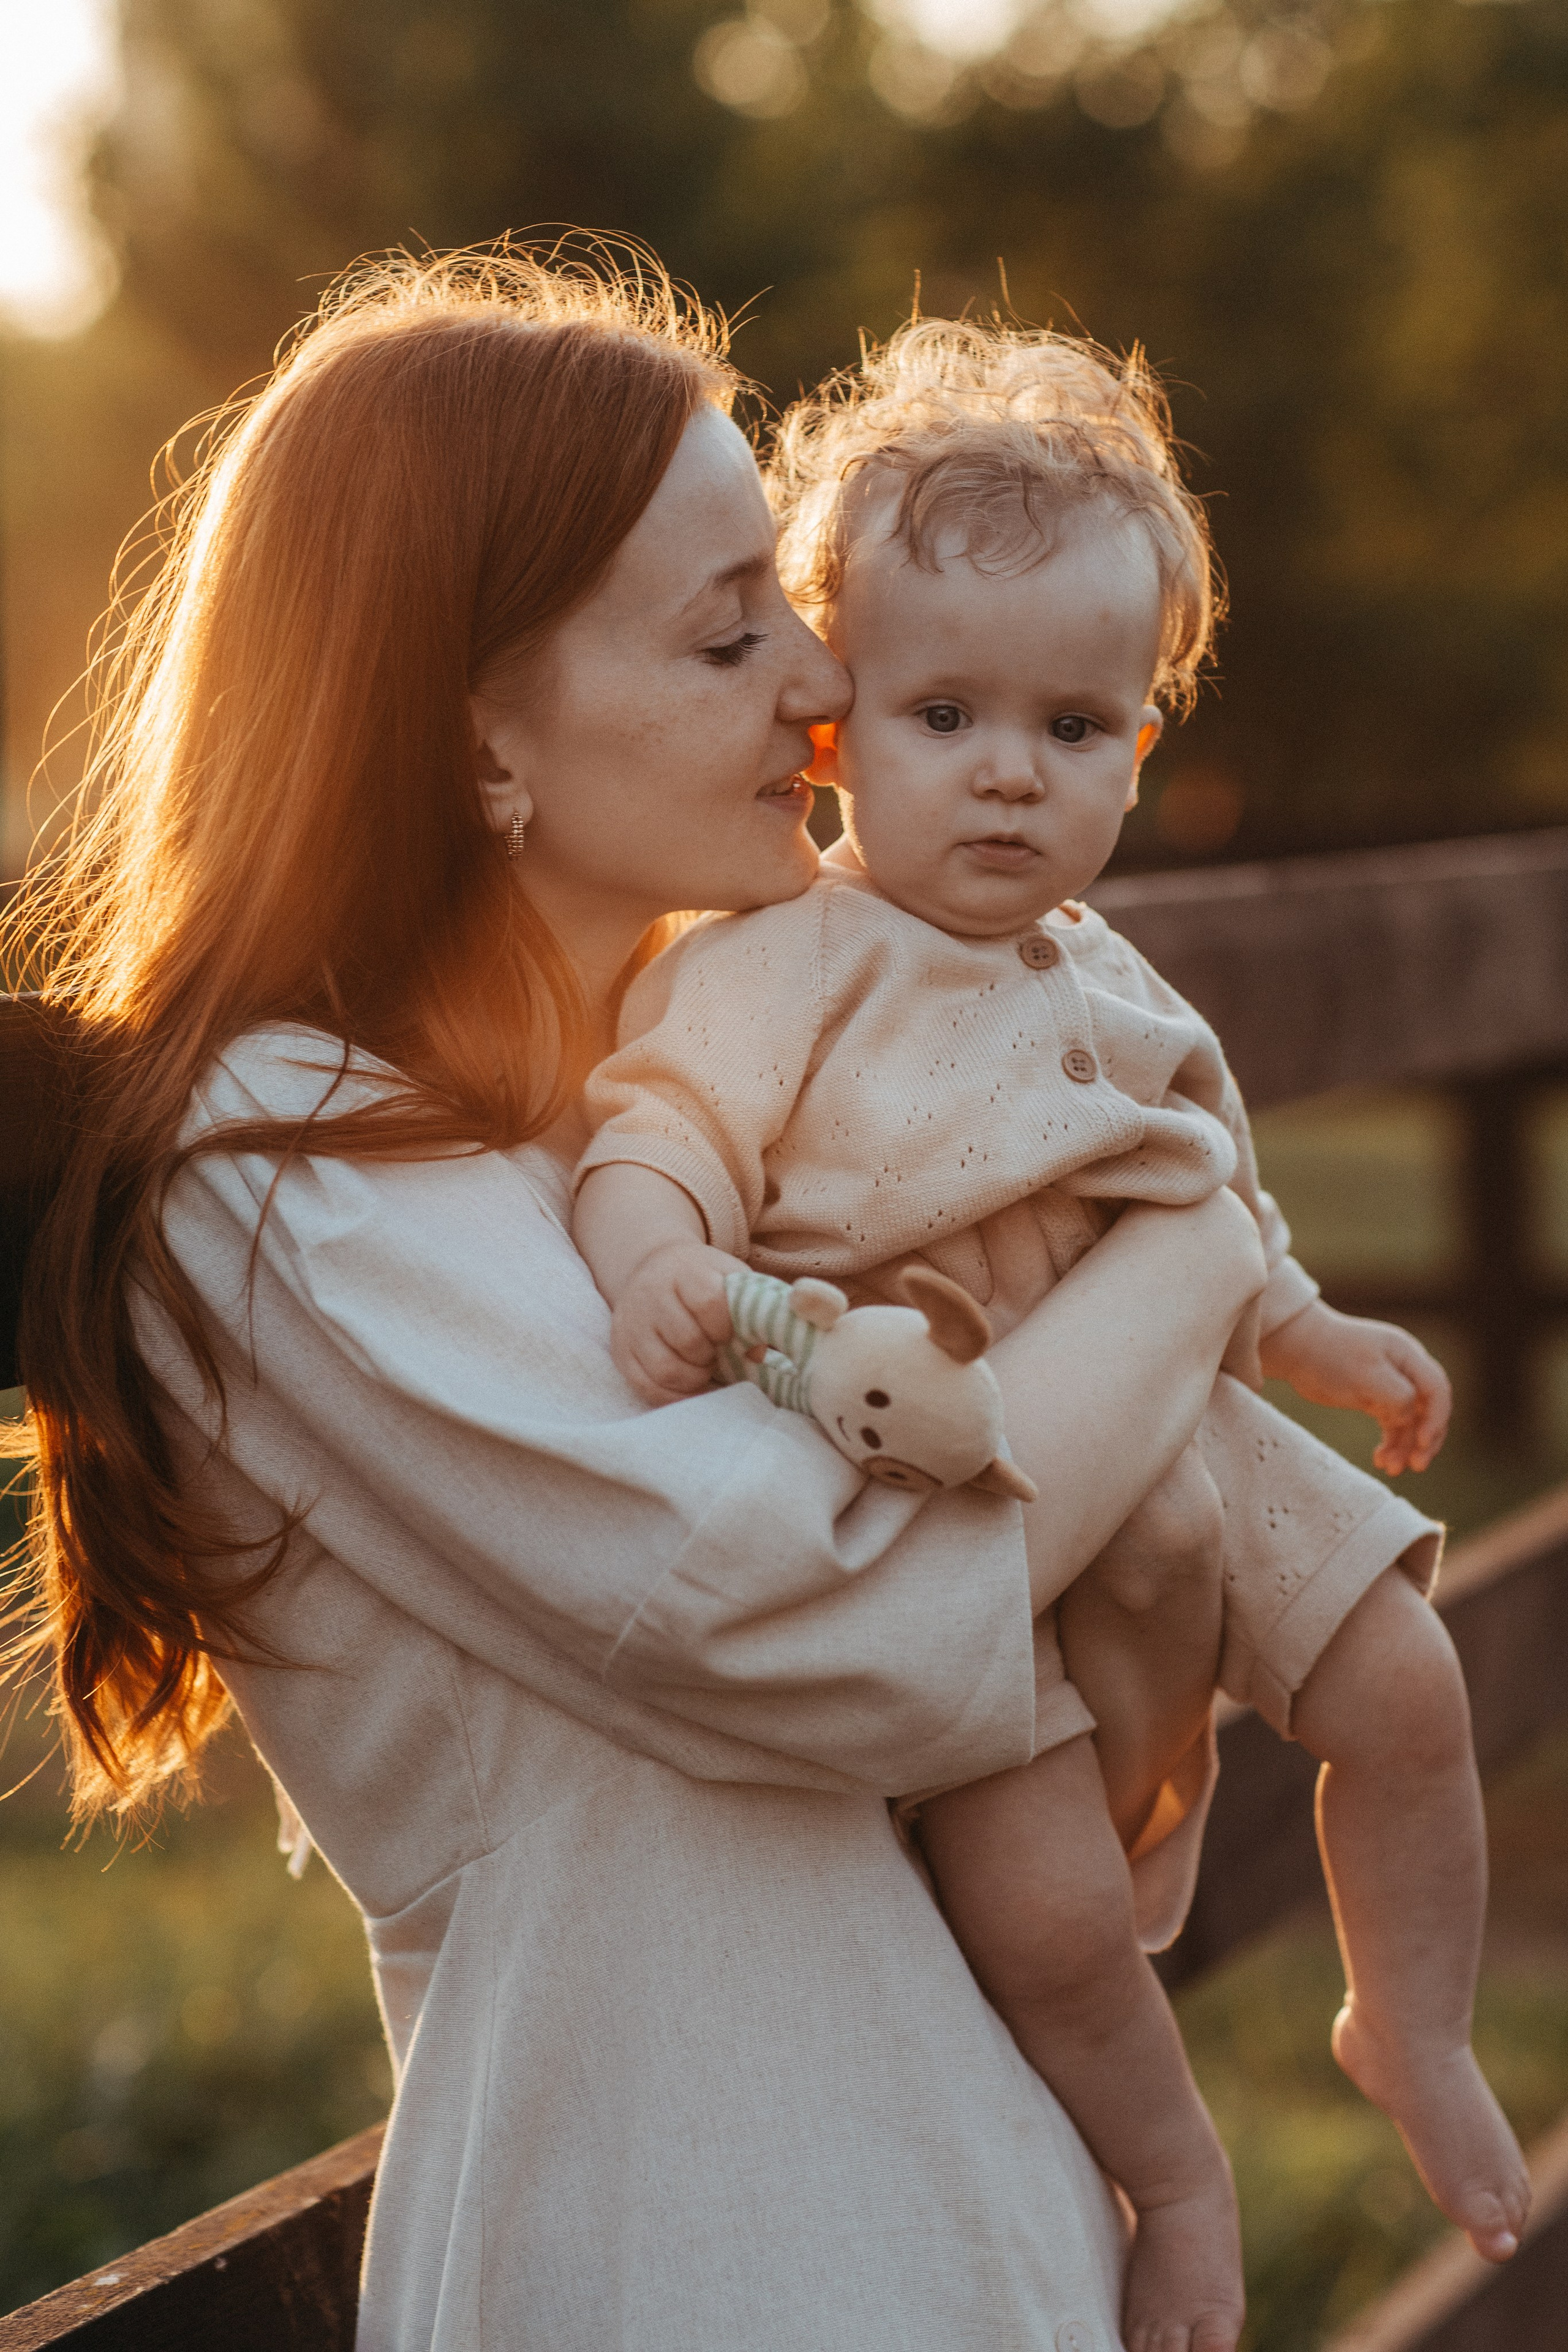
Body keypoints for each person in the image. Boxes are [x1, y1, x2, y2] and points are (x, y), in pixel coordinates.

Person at [2, 246, 1276, 2352]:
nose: (820, 677)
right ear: (480, 730)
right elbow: (832, 1606)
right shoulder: (282, 1175)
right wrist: (1208, 1245)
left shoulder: (611, 1120)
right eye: (727, 627)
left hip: (957, 2235)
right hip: (686, 2264)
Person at [572, 320, 1532, 2348]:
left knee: (1414, 1687)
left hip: (1182, 1423)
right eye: (946, 712)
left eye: (1075, 729)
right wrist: (657, 1244)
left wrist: (1313, 1330)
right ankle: (1171, 2173)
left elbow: (1211, 1195)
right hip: (943, 1484)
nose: (1012, 770)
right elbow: (654, 1127)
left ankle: (1413, 2027)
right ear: (832, 729)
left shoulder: (1118, 977)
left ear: (1140, 750)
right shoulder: (779, 968)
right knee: (1047, 1911)